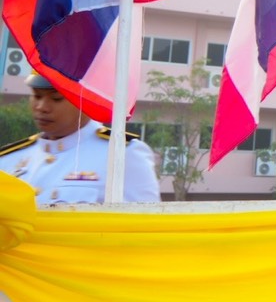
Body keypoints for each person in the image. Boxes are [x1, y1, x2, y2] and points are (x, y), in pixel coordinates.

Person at [0, 73, 161, 206]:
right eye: (37, 96)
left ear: (83, 99)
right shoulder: (8, 159)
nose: (42, 107)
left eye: (56, 98)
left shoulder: (122, 154)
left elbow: (145, 225)